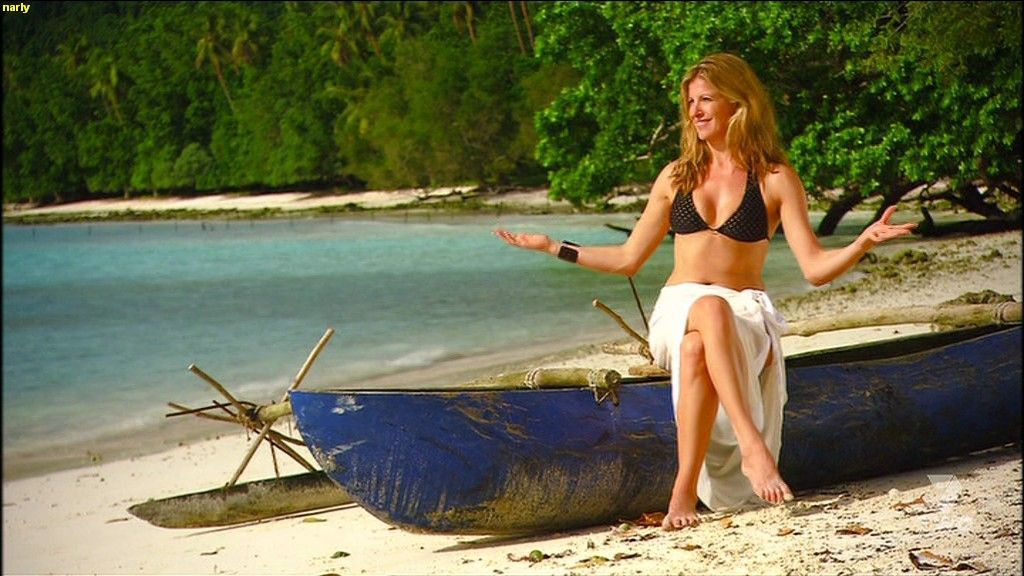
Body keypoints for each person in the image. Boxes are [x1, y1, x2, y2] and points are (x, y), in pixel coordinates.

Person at [495, 52, 916, 530]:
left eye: (706, 100)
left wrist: (862, 242)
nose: (694, 111)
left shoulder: (774, 178)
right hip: (677, 309)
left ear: (738, 103)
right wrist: (554, 246)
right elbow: (628, 258)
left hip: (744, 314)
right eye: (690, 102)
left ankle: (682, 492)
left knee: (700, 342)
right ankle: (752, 447)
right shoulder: (677, 176)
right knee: (705, 308)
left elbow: (815, 269)